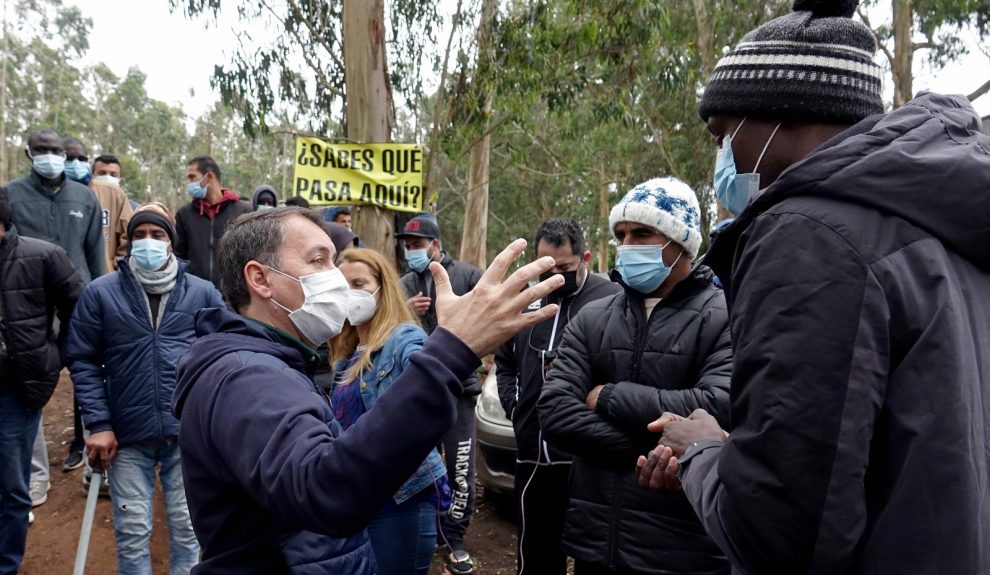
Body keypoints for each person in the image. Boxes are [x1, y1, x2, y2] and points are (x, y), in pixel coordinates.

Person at [634, 3, 990, 574]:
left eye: (725, 135)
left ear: (783, 115)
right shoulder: (947, 225)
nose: (723, 159)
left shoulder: (809, 235)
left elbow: (783, 532)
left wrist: (701, 450)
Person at [170, 206, 562, 573]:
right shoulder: (246, 377)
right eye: (318, 260)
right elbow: (325, 489)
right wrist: (452, 349)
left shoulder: (268, 363)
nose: (337, 278)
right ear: (260, 279)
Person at [537, 178, 733, 575]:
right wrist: (661, 446)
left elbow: (718, 406)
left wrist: (609, 396)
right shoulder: (593, 317)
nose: (627, 245)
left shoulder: (724, 316)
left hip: (684, 549)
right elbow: (555, 412)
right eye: (621, 235)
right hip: (596, 544)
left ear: (681, 242)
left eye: (642, 233)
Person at [66, 206, 220, 574]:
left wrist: (212, 420)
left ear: (171, 242)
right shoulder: (100, 293)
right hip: (124, 434)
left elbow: (222, 356)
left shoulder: (202, 293)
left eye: (158, 234)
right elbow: (83, 360)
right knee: (133, 531)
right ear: (128, 241)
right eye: (139, 235)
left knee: (187, 529)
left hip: (187, 435)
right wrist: (99, 424)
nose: (147, 242)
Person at [495, 218, 619, 575]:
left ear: (585, 257)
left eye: (563, 267)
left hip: (587, 461)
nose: (554, 277)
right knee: (535, 557)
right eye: (545, 267)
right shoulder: (525, 299)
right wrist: (516, 408)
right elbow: (504, 362)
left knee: (591, 558)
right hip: (534, 459)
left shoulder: (610, 299)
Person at [328, 248, 448, 575]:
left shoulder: (403, 337)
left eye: (360, 284)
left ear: (383, 290)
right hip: (357, 499)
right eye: (343, 285)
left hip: (399, 502)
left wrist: (452, 341)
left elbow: (427, 380)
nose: (350, 293)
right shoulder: (346, 352)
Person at [6, 128, 104, 496]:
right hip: (27, 306)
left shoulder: (85, 198)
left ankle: (97, 468)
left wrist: (102, 300)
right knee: (25, 387)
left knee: (92, 378)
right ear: (29, 153)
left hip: (79, 303)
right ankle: (34, 477)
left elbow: (96, 256)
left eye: (57, 150)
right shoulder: (11, 196)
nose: (51, 156)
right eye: (42, 149)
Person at [0, 187, 83, 573]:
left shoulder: (42, 256)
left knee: (12, 484)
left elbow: (78, 312)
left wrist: (54, 359)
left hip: (14, 389)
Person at [397, 212, 482, 574]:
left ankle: (455, 538)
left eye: (417, 245)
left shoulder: (467, 275)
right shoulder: (403, 284)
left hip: (461, 389)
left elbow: (486, 319)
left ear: (435, 244)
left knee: (460, 469)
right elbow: (390, 328)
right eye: (407, 245)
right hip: (419, 390)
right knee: (422, 467)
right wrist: (407, 313)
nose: (411, 251)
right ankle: (428, 532)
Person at [174, 155, 251, 288]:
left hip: (232, 298)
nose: (188, 183)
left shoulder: (242, 212)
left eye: (192, 177)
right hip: (195, 296)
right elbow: (179, 257)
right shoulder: (184, 214)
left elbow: (251, 255)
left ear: (209, 177)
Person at [64, 142, 134, 273]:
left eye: (82, 159)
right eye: (69, 158)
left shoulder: (114, 194)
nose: (76, 164)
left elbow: (130, 232)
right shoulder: (50, 195)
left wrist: (117, 265)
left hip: (102, 276)